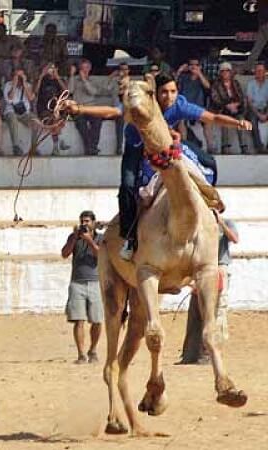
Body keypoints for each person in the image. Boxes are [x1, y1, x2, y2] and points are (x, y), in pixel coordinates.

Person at [65, 73, 251, 260]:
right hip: (137, 149)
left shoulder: (179, 104)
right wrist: (79, 109)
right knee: (128, 186)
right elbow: (113, 112)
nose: (169, 97)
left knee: (208, 163)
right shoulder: (142, 104)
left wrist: (238, 123)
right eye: (164, 92)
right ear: (155, 93)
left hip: (163, 147)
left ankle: (210, 210)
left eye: (173, 91)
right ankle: (129, 238)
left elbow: (212, 117)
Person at [179, 208, 238, 364]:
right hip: (202, 269)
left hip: (218, 267)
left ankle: (207, 354)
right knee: (195, 311)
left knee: (213, 310)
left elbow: (234, 239)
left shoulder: (227, 223)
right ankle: (190, 355)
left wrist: (221, 223)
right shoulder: (200, 224)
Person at [60, 211, 103, 364]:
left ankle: (93, 349)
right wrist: (75, 238)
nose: (84, 224)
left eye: (87, 221)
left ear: (93, 222)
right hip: (77, 282)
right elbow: (64, 253)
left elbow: (101, 255)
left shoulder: (100, 238)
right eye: (82, 221)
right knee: (79, 320)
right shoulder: (74, 237)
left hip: (96, 282)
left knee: (97, 320)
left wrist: (89, 240)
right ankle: (81, 354)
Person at [176, 58, 214, 154]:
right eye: (191, 64)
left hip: (198, 107)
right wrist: (179, 71)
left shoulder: (203, 77)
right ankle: (184, 146)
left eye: (196, 65)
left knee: (207, 121)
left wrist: (199, 74)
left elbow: (208, 86)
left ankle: (210, 147)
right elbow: (173, 84)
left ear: (200, 66)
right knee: (181, 121)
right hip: (185, 107)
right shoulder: (184, 78)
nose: (194, 66)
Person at [210, 62, 249, 154]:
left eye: (227, 71)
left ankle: (244, 147)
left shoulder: (235, 83)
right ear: (220, 73)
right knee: (225, 120)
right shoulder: (216, 85)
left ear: (230, 72)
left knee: (241, 120)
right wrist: (227, 105)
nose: (225, 73)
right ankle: (225, 147)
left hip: (236, 109)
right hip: (223, 109)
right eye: (223, 71)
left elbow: (241, 96)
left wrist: (236, 104)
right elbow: (215, 99)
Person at [69, 59, 103, 155]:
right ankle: (91, 148)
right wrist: (72, 75)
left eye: (87, 68)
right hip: (78, 108)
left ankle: (92, 147)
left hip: (91, 107)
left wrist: (84, 80)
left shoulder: (93, 80)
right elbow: (70, 90)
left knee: (97, 121)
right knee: (81, 124)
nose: (85, 70)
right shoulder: (75, 80)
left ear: (90, 68)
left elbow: (92, 92)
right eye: (83, 68)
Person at [35, 62, 70, 155]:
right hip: (43, 109)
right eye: (49, 68)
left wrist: (57, 77)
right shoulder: (43, 80)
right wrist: (42, 75)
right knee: (54, 119)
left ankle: (56, 148)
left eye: (53, 68)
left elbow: (66, 92)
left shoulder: (59, 80)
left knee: (56, 118)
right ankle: (60, 142)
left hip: (57, 109)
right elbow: (35, 91)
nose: (51, 70)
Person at [2, 67, 38, 156]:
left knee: (36, 121)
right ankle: (16, 146)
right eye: (17, 76)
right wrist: (14, 84)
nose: (19, 78)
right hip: (11, 112)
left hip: (24, 113)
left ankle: (34, 148)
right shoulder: (8, 85)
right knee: (13, 120)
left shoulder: (27, 85)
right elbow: (9, 99)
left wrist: (24, 84)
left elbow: (31, 98)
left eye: (21, 76)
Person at [107, 63, 130, 155]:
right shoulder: (115, 81)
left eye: (125, 69)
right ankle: (119, 147)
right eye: (121, 69)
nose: (123, 71)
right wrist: (111, 77)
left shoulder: (131, 82)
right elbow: (107, 88)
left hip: (128, 108)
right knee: (120, 123)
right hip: (117, 107)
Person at [247, 62, 268, 154]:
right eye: (257, 71)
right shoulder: (251, 84)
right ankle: (259, 147)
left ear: (265, 72)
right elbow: (250, 102)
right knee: (253, 122)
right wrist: (259, 115)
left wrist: (266, 114)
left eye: (261, 71)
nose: (259, 72)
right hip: (254, 110)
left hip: (265, 109)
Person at [245, 0, 268, 71]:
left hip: (263, 23)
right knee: (257, 47)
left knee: (257, 48)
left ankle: (247, 67)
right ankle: (247, 67)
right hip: (265, 23)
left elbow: (253, 8)